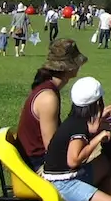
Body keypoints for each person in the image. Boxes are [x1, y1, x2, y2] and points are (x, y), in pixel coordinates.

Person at [15, 39, 89, 170]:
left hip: (37, 161)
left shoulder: (47, 88)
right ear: (69, 67)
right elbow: (53, 150)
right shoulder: (48, 98)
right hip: (38, 166)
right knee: (105, 160)